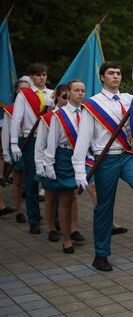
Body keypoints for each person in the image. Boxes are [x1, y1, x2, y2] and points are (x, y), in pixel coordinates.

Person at [72, 62, 133, 272]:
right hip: (105, 159)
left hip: (128, 156)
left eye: (118, 73)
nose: (115, 76)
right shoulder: (92, 105)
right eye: (110, 73)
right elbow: (82, 139)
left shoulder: (130, 99)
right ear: (102, 77)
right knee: (104, 207)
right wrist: (79, 171)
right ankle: (101, 255)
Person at [43, 80, 88, 253]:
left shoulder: (86, 112)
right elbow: (52, 141)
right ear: (68, 92)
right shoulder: (58, 115)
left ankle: (73, 230)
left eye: (83, 90)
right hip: (63, 157)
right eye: (76, 90)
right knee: (64, 200)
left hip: (81, 157)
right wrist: (49, 165)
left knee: (73, 197)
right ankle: (66, 239)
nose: (80, 93)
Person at [10, 63, 54, 234]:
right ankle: (34, 219)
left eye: (44, 75)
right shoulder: (24, 95)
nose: (41, 78)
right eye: (37, 75)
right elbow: (16, 118)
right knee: (32, 181)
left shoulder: (53, 94)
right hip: (32, 140)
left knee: (52, 180)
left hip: (50, 141)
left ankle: (55, 219)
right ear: (31, 77)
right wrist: (14, 143)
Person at [36, 84, 69, 242]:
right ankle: (51, 228)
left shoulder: (76, 114)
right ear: (57, 98)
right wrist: (40, 165)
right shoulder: (48, 117)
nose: (67, 100)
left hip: (67, 159)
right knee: (50, 196)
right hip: (50, 159)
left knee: (70, 197)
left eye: (69, 97)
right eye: (64, 97)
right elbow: (40, 145)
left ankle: (70, 229)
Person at [1, 79, 31, 222]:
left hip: (31, 142)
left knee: (32, 180)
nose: (25, 92)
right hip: (18, 142)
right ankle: (19, 210)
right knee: (18, 179)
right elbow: (6, 131)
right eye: (22, 89)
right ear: (17, 91)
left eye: (27, 89)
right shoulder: (10, 109)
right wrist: (6, 151)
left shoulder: (35, 107)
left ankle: (33, 209)